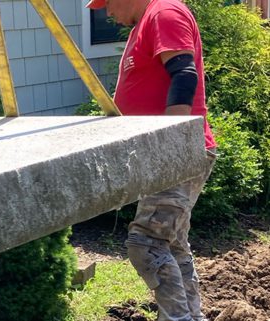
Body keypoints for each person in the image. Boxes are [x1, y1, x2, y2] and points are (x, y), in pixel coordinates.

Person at [85, 0, 217, 320]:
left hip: (175, 153)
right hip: (166, 155)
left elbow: (184, 75)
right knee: (171, 244)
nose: (107, 13)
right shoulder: (145, 23)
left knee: (147, 244)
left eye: (107, 3)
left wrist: (171, 149)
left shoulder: (163, 13)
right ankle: (191, 316)